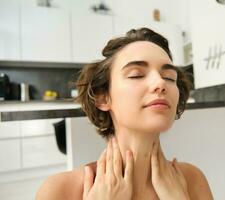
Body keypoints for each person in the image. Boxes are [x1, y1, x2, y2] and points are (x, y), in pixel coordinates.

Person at [36, 27, 213, 200]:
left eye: (169, 77)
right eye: (136, 75)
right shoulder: (60, 191)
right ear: (103, 97)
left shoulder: (192, 180)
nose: (160, 83)